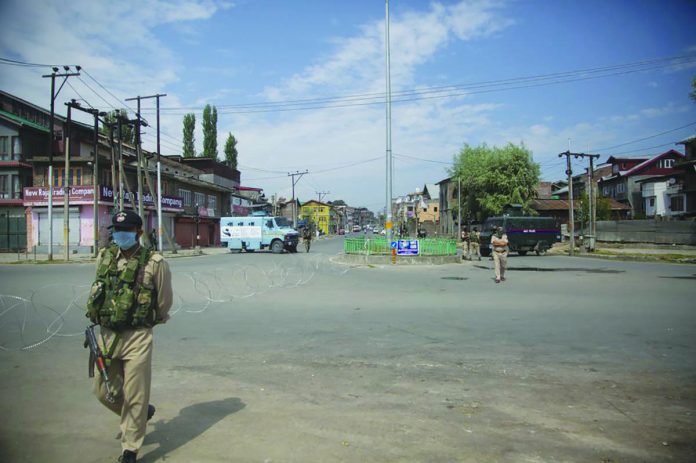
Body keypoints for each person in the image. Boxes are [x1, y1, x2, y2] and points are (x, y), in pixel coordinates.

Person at [86, 210, 173, 463]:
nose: (120, 235)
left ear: (138, 232)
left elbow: (164, 301)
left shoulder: (155, 262)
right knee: (104, 391)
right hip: (107, 336)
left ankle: (130, 448)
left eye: (125, 231)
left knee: (135, 392)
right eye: (116, 230)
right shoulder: (105, 257)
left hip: (137, 336)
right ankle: (141, 413)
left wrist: (148, 319)